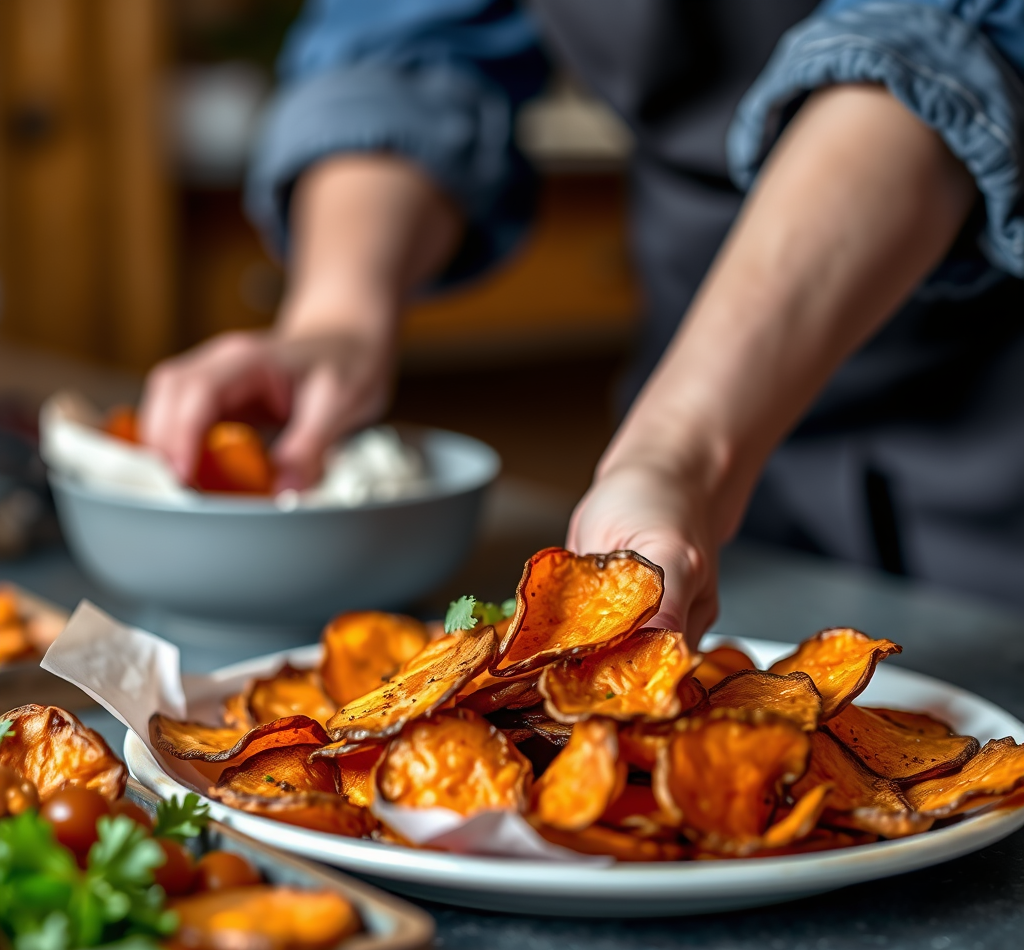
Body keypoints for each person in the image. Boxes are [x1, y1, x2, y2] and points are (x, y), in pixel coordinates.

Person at [139, 0, 1024, 642]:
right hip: (698, 411)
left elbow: (944, 49)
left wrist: (678, 447)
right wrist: (334, 315)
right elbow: (405, 38)